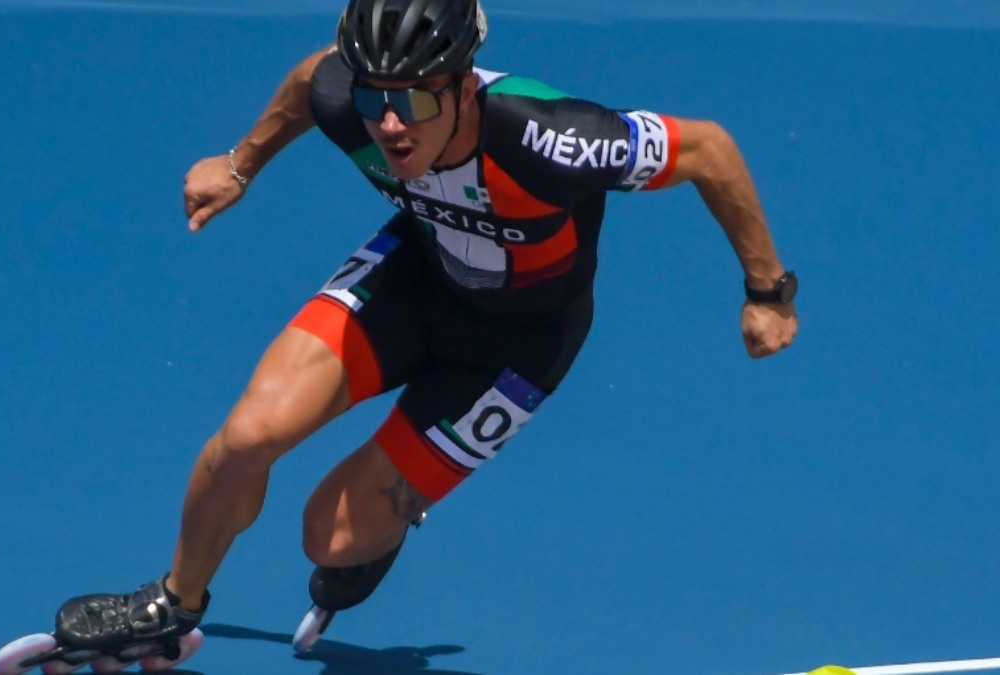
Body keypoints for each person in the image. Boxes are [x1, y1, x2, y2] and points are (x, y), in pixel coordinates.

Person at [50, 0, 798, 664]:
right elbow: (315, 77)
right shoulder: (354, 100)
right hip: (414, 279)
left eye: (411, 99)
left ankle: (388, 523)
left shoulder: (553, 140)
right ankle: (175, 603)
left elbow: (709, 150)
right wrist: (239, 167)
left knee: (330, 539)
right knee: (249, 435)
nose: (390, 123)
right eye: (377, 97)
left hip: (519, 347)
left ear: (463, 86)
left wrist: (768, 291)